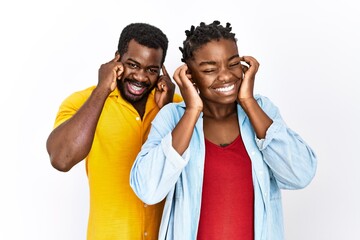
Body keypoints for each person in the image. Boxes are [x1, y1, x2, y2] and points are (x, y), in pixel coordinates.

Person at [130, 20, 317, 240]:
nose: (226, 76)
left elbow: (301, 174)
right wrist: (192, 110)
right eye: (210, 69)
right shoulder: (173, 117)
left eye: (233, 63)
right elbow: (148, 190)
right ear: (190, 76)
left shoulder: (262, 110)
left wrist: (248, 100)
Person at [46, 23, 182, 240]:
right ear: (117, 59)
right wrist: (102, 89)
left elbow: (193, 171)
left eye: (151, 70)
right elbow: (62, 159)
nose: (140, 77)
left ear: (161, 71)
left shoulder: (174, 105)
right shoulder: (83, 103)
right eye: (133, 65)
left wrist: (168, 111)